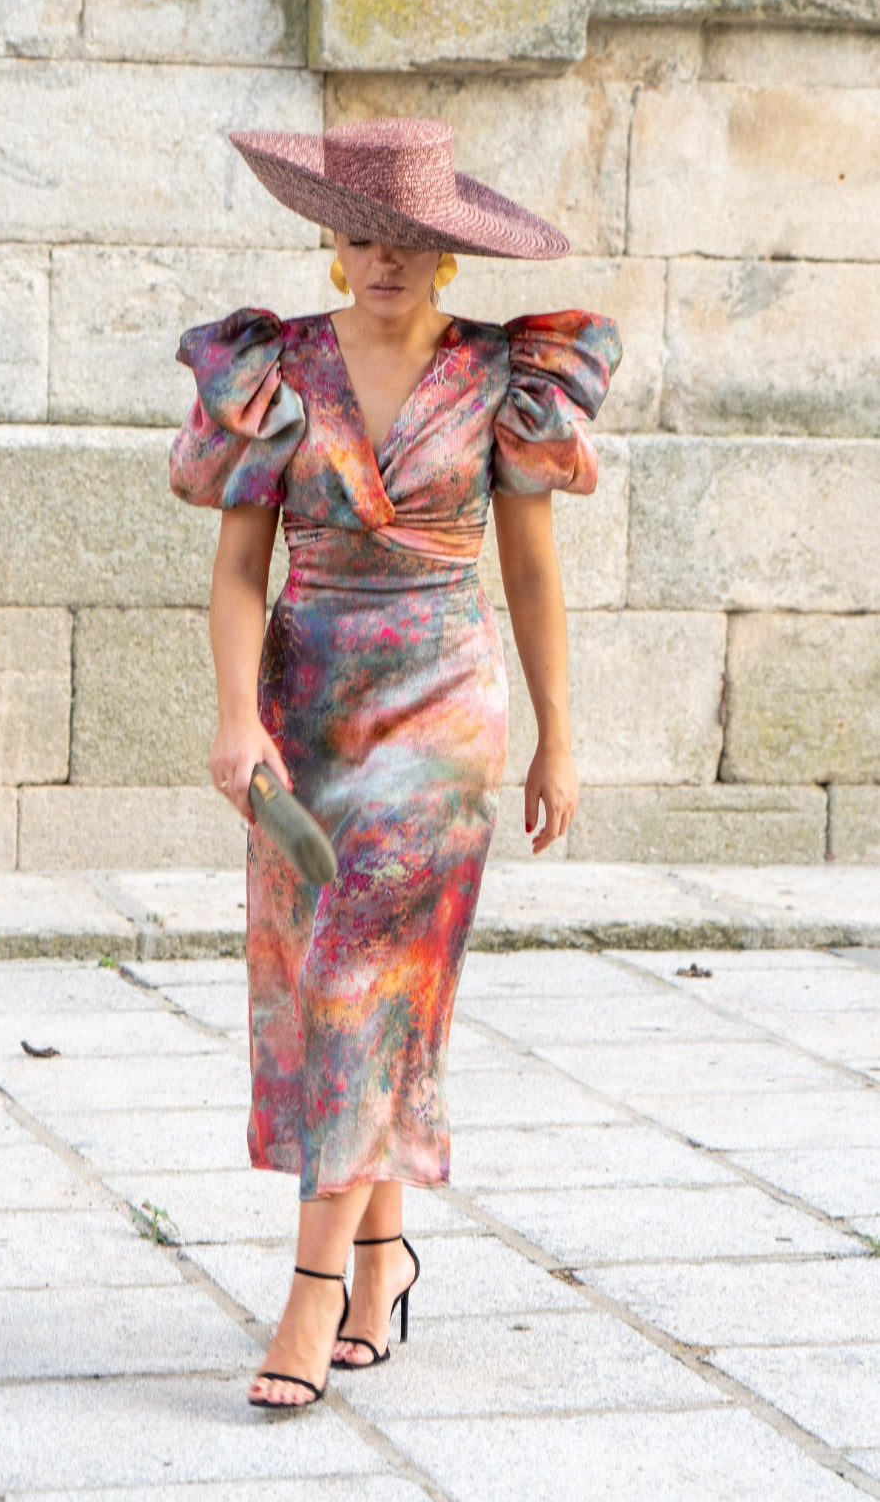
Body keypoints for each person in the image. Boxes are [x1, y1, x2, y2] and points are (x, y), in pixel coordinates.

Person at [170, 116, 621, 1410]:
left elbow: (529, 573)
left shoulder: (503, 377)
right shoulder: (273, 368)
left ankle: (309, 1295)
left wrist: (558, 737)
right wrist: (235, 720)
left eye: (409, 241)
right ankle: (381, 1261)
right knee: (329, 985)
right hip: (304, 701)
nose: (383, 260)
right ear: (331, 238)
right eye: (363, 235)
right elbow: (239, 570)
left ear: (446, 252)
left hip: (440, 705)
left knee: (361, 982)